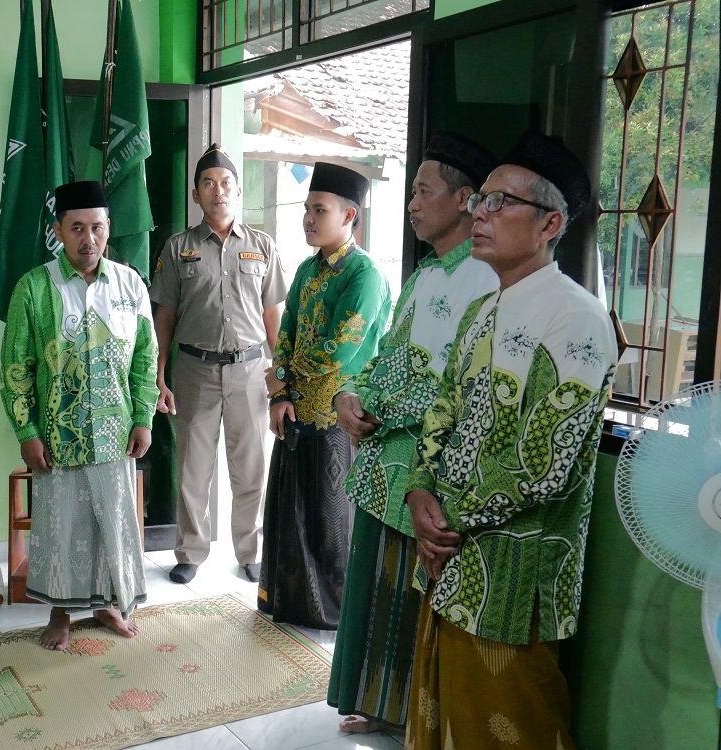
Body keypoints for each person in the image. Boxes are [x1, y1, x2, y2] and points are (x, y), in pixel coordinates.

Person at [403, 132, 617, 748]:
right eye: (481, 200)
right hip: (450, 554)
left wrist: (444, 523)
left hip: (515, 573)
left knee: (508, 728)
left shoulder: (576, 317)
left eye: (501, 202)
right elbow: (445, 409)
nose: (481, 213)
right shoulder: (485, 310)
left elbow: (544, 464)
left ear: (550, 224)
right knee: (445, 717)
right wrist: (419, 490)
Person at [327, 133, 500, 735]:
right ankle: (384, 707)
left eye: (424, 191)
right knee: (381, 593)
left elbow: (458, 387)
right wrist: (351, 395)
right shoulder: (426, 275)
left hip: (431, 470)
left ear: (465, 199)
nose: (413, 203)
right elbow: (388, 359)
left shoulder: (486, 279)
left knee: (417, 597)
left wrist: (384, 405)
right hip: (386, 463)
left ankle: (419, 718)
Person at [0, 181, 158, 651]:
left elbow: (145, 358)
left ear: (108, 228)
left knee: (112, 524)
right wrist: (27, 431)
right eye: (76, 229)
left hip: (115, 433)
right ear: (58, 231)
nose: (88, 239)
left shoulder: (130, 285)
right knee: (61, 528)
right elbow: (15, 367)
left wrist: (143, 417)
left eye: (97, 228)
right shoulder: (34, 288)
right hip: (58, 435)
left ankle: (109, 605)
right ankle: (60, 613)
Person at [257, 162, 391, 629]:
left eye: (320, 210)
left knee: (333, 523)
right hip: (296, 411)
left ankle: (336, 615)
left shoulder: (364, 274)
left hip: (340, 417)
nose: (308, 219)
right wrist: (280, 394)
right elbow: (286, 332)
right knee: (291, 513)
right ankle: (292, 604)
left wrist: (281, 375)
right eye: (307, 209)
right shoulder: (306, 269)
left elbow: (342, 346)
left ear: (349, 215)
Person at [150, 143, 287, 585]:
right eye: (208, 184)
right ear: (196, 194)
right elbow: (164, 316)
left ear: (238, 190)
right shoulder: (179, 248)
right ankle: (190, 552)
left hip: (251, 371)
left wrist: (282, 378)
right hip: (195, 370)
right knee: (193, 469)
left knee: (250, 469)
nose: (218, 190)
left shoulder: (262, 246)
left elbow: (274, 318)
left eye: (226, 183)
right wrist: (158, 374)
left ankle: (250, 550)